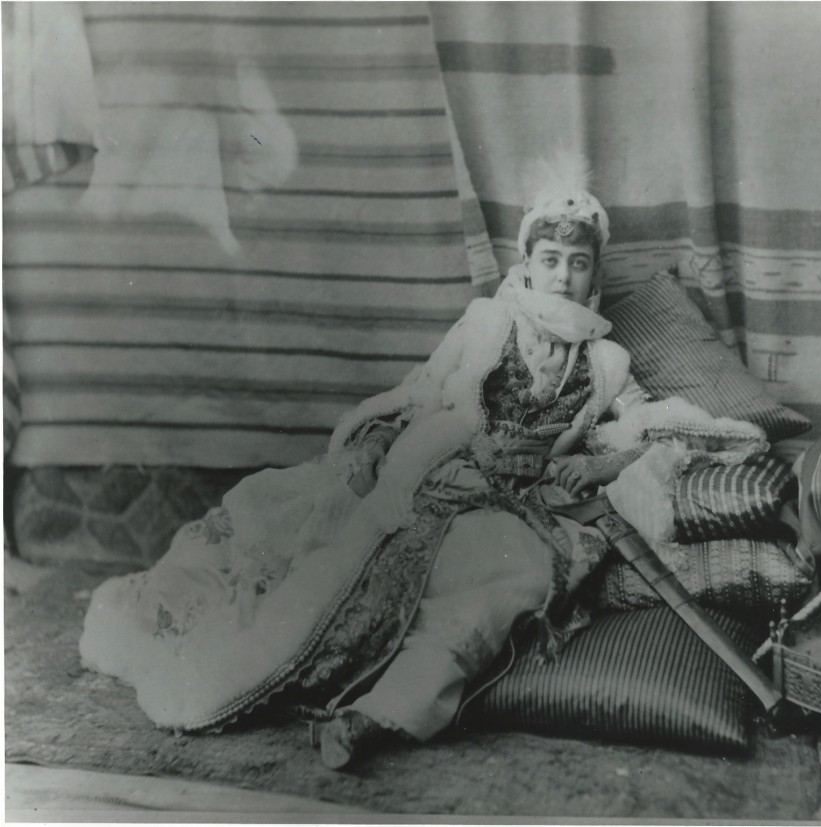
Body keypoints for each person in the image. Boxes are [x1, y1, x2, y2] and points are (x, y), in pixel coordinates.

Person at [79, 155, 761, 769]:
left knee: (497, 588)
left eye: (577, 262)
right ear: (526, 262)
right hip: (437, 474)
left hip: (519, 504)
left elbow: (642, 428)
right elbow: (424, 393)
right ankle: (263, 666)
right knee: (329, 566)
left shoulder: (608, 362)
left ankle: (378, 717)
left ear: (595, 274)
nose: (563, 273)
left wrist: (605, 467)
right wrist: (374, 444)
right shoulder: (488, 323)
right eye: (550, 256)